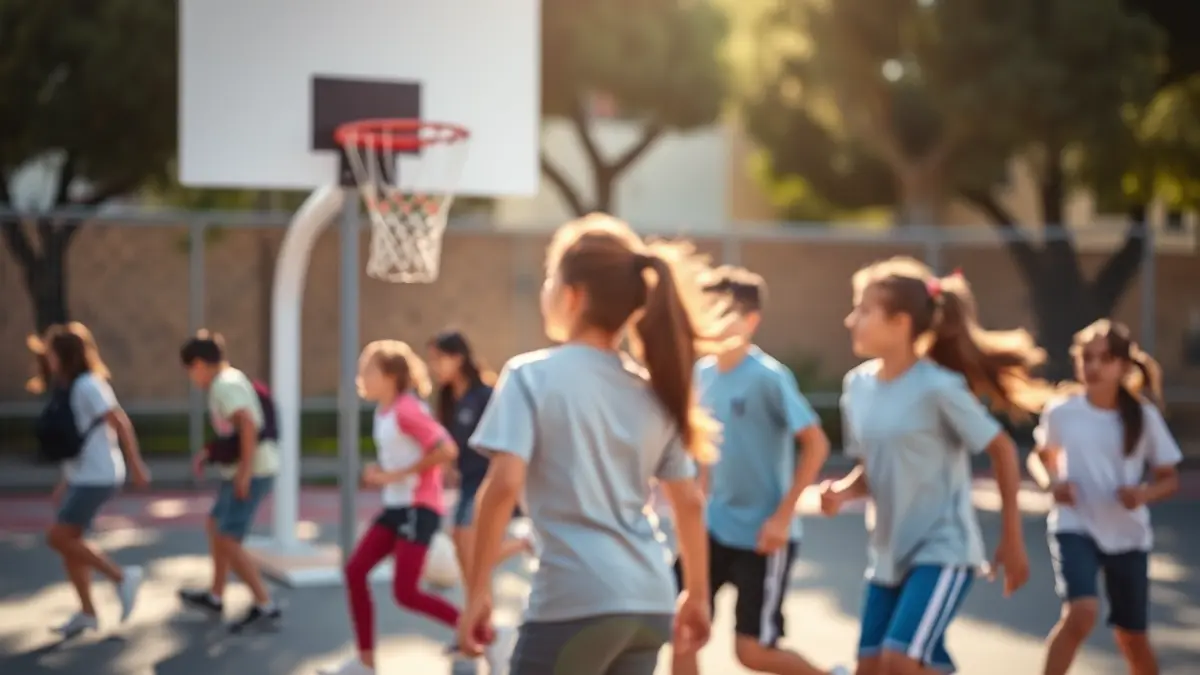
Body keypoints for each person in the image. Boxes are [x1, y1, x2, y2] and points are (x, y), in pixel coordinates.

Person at [456, 213, 716, 675]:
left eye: (549, 277)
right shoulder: (656, 392)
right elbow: (689, 503)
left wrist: (478, 592)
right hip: (648, 600)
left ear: (573, 296)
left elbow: (501, 489)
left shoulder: (529, 376)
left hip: (575, 601)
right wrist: (696, 593)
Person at [820, 258, 1046, 675]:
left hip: (943, 549)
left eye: (864, 309)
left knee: (899, 661)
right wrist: (843, 491)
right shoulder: (858, 388)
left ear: (901, 322)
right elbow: (870, 472)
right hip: (887, 554)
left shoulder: (939, 388)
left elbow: (1002, 450)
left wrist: (1011, 538)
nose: (851, 320)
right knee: (870, 669)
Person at [676, 266, 845, 675]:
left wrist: (782, 518)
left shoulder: (768, 378)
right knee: (682, 629)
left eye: (721, 311)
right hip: (712, 529)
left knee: (752, 653)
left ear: (751, 321)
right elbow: (703, 451)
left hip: (762, 538)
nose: (708, 320)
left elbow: (816, 444)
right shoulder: (700, 375)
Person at [320, 339, 507, 675]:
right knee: (355, 570)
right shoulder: (384, 411)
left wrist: (394, 475)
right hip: (396, 508)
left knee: (405, 593)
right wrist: (381, 475)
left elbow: (446, 449)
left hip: (417, 509)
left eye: (369, 369)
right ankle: (365, 662)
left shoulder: (407, 409)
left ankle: (486, 636)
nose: (361, 375)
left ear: (390, 375)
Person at [1027, 319, 1181, 675]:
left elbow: (1168, 479)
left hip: (1128, 536)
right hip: (1075, 524)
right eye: (1087, 357)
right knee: (1081, 612)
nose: (1094, 366)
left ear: (1124, 366)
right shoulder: (1062, 412)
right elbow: (1040, 457)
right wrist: (1052, 484)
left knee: (1132, 637)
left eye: (1105, 358)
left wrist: (1143, 494)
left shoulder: (1142, 416)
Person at [31, 322, 151, 638]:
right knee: (71, 545)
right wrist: (66, 480)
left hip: (98, 475)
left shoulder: (88, 385)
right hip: (82, 475)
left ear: (64, 355)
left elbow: (120, 423)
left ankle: (122, 576)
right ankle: (87, 612)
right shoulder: (68, 386)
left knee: (58, 537)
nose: (48, 359)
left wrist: (136, 464)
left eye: (51, 353)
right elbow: (76, 439)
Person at [178, 330, 281, 631]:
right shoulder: (230, 380)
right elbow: (235, 431)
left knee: (227, 538)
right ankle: (216, 594)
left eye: (189, 371)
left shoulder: (224, 385)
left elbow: (247, 426)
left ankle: (265, 604)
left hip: (254, 470)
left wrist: (245, 472)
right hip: (245, 468)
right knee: (215, 525)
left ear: (198, 364)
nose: (191, 378)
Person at [427, 330, 533, 587]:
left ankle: (527, 543)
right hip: (467, 480)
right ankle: (482, 614)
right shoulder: (449, 399)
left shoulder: (485, 396)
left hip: (486, 479)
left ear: (459, 358)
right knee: (467, 557)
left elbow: (507, 438)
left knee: (474, 552)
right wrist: (448, 466)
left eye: (439, 358)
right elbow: (452, 442)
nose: (434, 366)